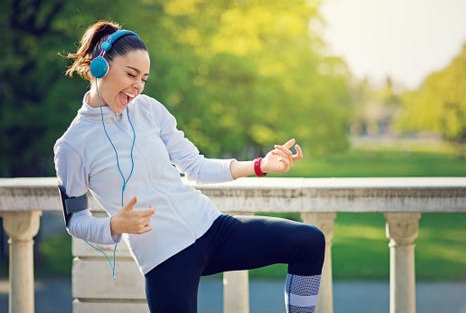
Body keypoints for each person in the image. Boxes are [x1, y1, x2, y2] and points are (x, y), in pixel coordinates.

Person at [54, 20, 325, 313]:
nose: (137, 87)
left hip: (212, 228)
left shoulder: (148, 110)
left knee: (309, 241)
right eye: (131, 74)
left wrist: (260, 165)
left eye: (144, 78)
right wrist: (113, 226)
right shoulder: (72, 146)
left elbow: (194, 165)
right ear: (100, 67)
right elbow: (75, 221)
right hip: (165, 257)